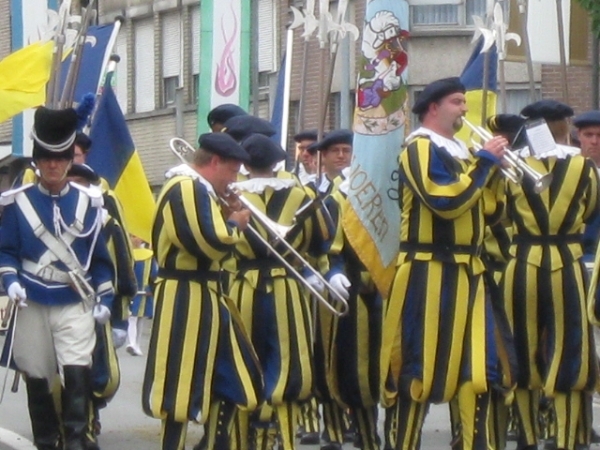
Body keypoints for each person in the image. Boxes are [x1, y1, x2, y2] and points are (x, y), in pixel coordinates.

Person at [380, 77, 514, 450]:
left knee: (480, 372)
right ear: (433, 107)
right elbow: (445, 202)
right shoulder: (419, 147)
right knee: (417, 370)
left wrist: (494, 176)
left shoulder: (463, 153)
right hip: (427, 270)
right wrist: (484, 163)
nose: (466, 109)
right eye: (458, 102)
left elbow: (488, 213)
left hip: (469, 273)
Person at [0, 106, 115, 450]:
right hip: (32, 299)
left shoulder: (90, 204)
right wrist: (12, 282)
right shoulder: (16, 204)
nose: (53, 165)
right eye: (46, 158)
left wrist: (106, 301)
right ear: (37, 160)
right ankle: (47, 442)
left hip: (74, 300)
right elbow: (5, 251)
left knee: (77, 372)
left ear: (69, 161)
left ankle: (77, 440)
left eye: (60, 158)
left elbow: (101, 262)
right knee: (36, 375)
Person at [142, 133, 263, 450]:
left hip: (208, 294)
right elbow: (207, 243)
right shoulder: (185, 187)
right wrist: (235, 223)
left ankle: (212, 443)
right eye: (233, 171)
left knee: (238, 379)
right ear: (215, 162)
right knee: (178, 390)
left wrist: (226, 213)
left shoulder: (201, 191)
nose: (234, 180)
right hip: (184, 294)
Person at [502, 100, 600, 450]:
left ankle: (527, 436)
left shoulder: (511, 166)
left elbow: (500, 215)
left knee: (522, 350)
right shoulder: (583, 167)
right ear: (565, 125)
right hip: (567, 261)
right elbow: (589, 209)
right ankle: (565, 438)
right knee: (570, 350)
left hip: (522, 261)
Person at [226, 133, 316, 450]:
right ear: (277, 162)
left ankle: (243, 441)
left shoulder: (228, 195)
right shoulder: (301, 194)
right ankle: (285, 441)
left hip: (243, 288)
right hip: (288, 287)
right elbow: (321, 238)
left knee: (243, 366)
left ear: (245, 164)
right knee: (288, 367)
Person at [319, 169, 383, 450]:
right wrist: (334, 272)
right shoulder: (337, 199)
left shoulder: (387, 196)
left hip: (388, 287)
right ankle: (364, 435)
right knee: (356, 368)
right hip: (354, 288)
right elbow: (330, 248)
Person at [126, 235, 157, 356]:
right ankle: (132, 343)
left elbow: (154, 273)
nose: (134, 239)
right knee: (132, 317)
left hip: (144, 291)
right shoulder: (128, 254)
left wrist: (151, 288)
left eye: (135, 237)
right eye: (131, 236)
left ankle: (137, 344)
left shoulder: (149, 256)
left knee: (141, 318)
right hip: (133, 291)